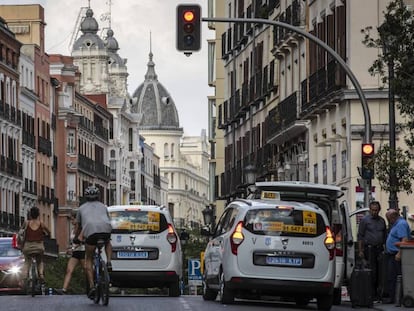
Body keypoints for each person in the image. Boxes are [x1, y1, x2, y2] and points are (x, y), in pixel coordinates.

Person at [76, 185, 112, 299]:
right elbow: (108, 219)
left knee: (89, 259)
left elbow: (79, 227)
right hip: (105, 229)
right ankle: (109, 262)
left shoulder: (81, 208)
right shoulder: (103, 206)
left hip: (91, 233)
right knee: (107, 241)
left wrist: (77, 238)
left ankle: (91, 286)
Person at [357, 200, 387, 301]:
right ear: (370, 210)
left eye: (376, 210)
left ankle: (379, 294)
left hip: (379, 249)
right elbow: (360, 236)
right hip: (369, 249)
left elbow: (385, 236)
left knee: (380, 273)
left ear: (379, 210)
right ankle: (371, 294)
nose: (374, 212)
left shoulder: (382, 221)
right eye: (373, 210)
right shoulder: (365, 220)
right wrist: (360, 250)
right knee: (371, 272)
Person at [382, 208, 411, 304]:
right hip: (392, 254)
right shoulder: (397, 224)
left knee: (395, 277)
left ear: (393, 217)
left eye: (388, 219)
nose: (388, 221)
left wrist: (399, 253)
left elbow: (404, 240)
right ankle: (395, 297)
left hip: (397, 254)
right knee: (392, 276)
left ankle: (395, 298)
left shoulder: (401, 224)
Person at [55, 210, 85, 295]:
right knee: (69, 270)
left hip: (83, 251)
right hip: (75, 252)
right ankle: (64, 289)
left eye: (72, 219)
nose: (71, 221)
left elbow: (82, 241)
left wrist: (73, 248)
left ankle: (91, 286)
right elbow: (74, 242)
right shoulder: (73, 229)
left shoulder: (82, 229)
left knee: (87, 270)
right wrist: (70, 248)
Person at [21, 206, 51, 284]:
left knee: (27, 261)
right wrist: (46, 235)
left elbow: (21, 232)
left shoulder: (26, 223)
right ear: (38, 215)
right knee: (40, 261)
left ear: (30, 215)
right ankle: (41, 275)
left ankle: (24, 276)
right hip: (39, 247)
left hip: (28, 247)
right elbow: (49, 232)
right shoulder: (41, 223)